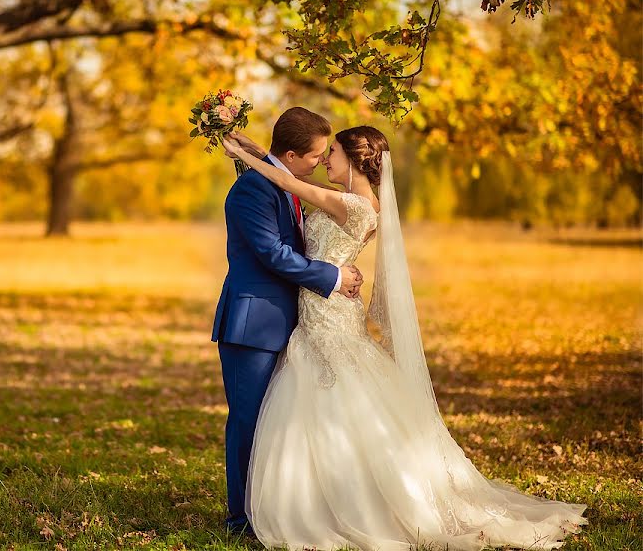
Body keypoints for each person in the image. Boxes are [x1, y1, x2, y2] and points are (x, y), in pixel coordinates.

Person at [220, 127, 587, 551]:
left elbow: (286, 179)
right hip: (320, 311)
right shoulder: (349, 199)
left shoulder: (354, 206)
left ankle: (343, 502)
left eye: (332, 152)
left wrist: (245, 156)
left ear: (355, 160)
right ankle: (312, 497)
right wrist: (250, 146)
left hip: (330, 310)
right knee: (321, 403)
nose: (324, 159)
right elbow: (288, 173)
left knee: (335, 403)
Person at [211, 107, 365, 536]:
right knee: (248, 421)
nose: (320, 163)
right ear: (294, 156)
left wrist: (256, 151)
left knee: (278, 424)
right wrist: (333, 276)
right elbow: (273, 254)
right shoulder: (251, 191)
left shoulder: (284, 181)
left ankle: (272, 510)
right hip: (253, 325)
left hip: (292, 323)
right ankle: (240, 520)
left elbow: (293, 188)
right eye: (316, 156)